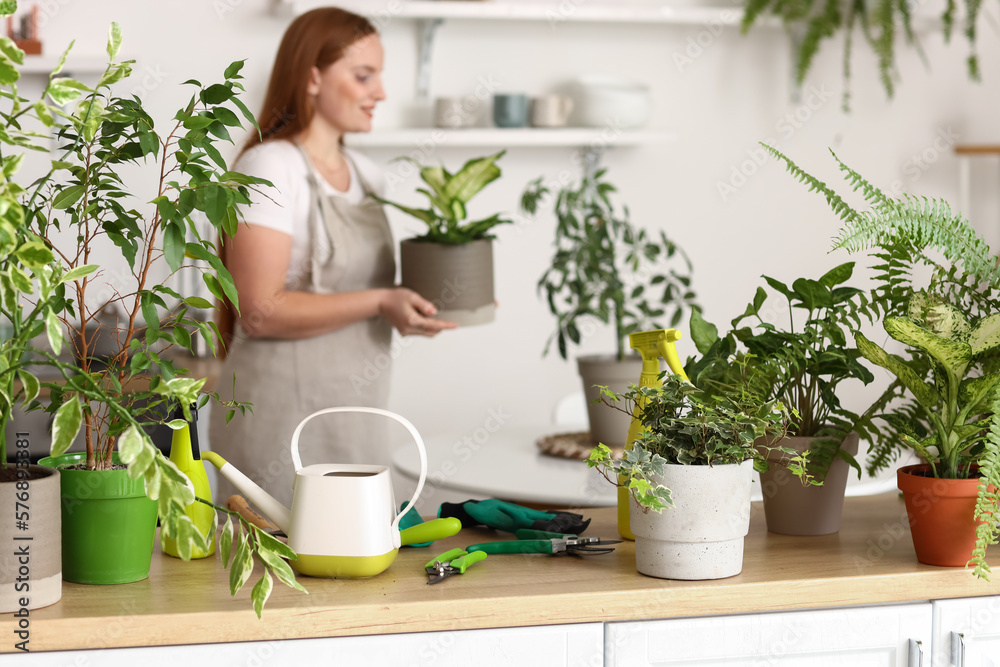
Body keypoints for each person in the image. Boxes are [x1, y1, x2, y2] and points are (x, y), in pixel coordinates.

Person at [208, 7, 456, 507]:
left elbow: (375, 292)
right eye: (364, 76)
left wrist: (431, 295)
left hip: (358, 418)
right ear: (313, 77)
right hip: (275, 422)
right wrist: (380, 301)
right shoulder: (270, 167)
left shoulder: (369, 176)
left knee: (357, 569)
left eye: (379, 76)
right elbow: (258, 310)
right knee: (277, 571)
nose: (380, 92)